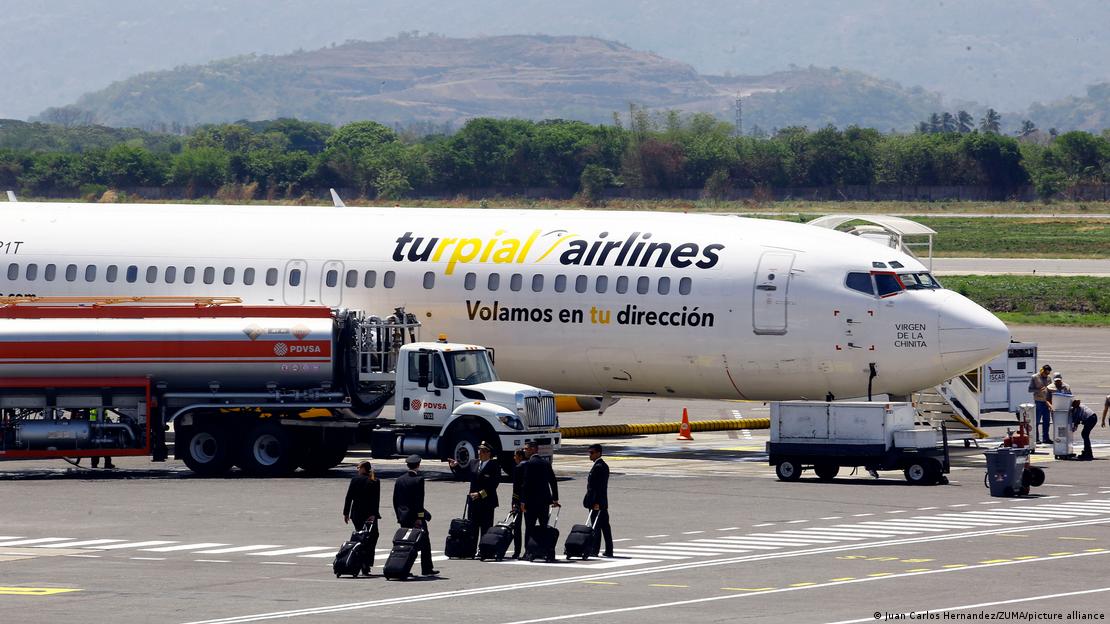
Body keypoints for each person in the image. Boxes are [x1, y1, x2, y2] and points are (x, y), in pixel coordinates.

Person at [392, 455, 438, 576]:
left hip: (403, 517)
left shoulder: (400, 479)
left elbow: (395, 500)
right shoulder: (418, 480)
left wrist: (399, 516)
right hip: (415, 517)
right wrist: (419, 518)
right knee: (425, 543)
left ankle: (402, 567)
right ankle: (427, 568)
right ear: (418, 465)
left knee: (405, 543)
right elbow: (419, 501)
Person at [448, 442, 500, 536]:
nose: (480, 453)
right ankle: (472, 550)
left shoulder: (494, 466)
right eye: (479, 450)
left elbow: (493, 485)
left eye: (483, 451)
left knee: (486, 528)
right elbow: (464, 476)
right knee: (472, 529)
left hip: (486, 503)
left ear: (489, 453)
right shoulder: (473, 463)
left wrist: (479, 494)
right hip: (473, 503)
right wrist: (456, 466)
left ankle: (483, 550)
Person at [519, 440, 559, 562]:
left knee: (529, 528)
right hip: (544, 502)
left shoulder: (528, 464)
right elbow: (553, 481)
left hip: (531, 503)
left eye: (526, 449)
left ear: (533, 449)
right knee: (543, 527)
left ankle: (528, 551)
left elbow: (526, 484)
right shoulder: (545, 463)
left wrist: (523, 501)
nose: (524, 451)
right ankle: (545, 550)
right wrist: (555, 498)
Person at [342, 460, 381, 572]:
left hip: (357, 514)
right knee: (372, 537)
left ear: (363, 468)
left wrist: (346, 513)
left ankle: (361, 561)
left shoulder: (355, 480)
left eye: (358, 467)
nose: (357, 469)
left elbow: (349, 497)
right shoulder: (374, 480)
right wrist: (374, 514)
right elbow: (376, 500)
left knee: (360, 537)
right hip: (370, 515)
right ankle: (366, 562)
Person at [584, 443, 614, 557]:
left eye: (591, 453)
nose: (589, 455)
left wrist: (595, 502)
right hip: (602, 502)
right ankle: (609, 550)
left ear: (598, 453)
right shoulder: (602, 465)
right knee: (605, 526)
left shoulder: (599, 467)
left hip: (597, 502)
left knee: (596, 526)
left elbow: (597, 487)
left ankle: (594, 550)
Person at [1028, 364, 1054, 443]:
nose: (1046, 375)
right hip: (1038, 401)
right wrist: (1038, 390)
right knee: (1037, 421)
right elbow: (1030, 389)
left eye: (1048, 373)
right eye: (1045, 373)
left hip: (1046, 402)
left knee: (1046, 421)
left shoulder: (1049, 378)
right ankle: (1036, 438)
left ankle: (1046, 438)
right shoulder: (1035, 377)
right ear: (1042, 371)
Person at [510, 449, 526, 559]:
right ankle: (528, 551)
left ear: (520, 456)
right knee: (529, 528)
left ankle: (517, 551)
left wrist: (514, 502)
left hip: (519, 500)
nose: (514, 458)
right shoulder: (530, 466)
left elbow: (516, 488)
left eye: (515, 456)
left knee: (517, 527)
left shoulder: (519, 467)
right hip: (529, 501)